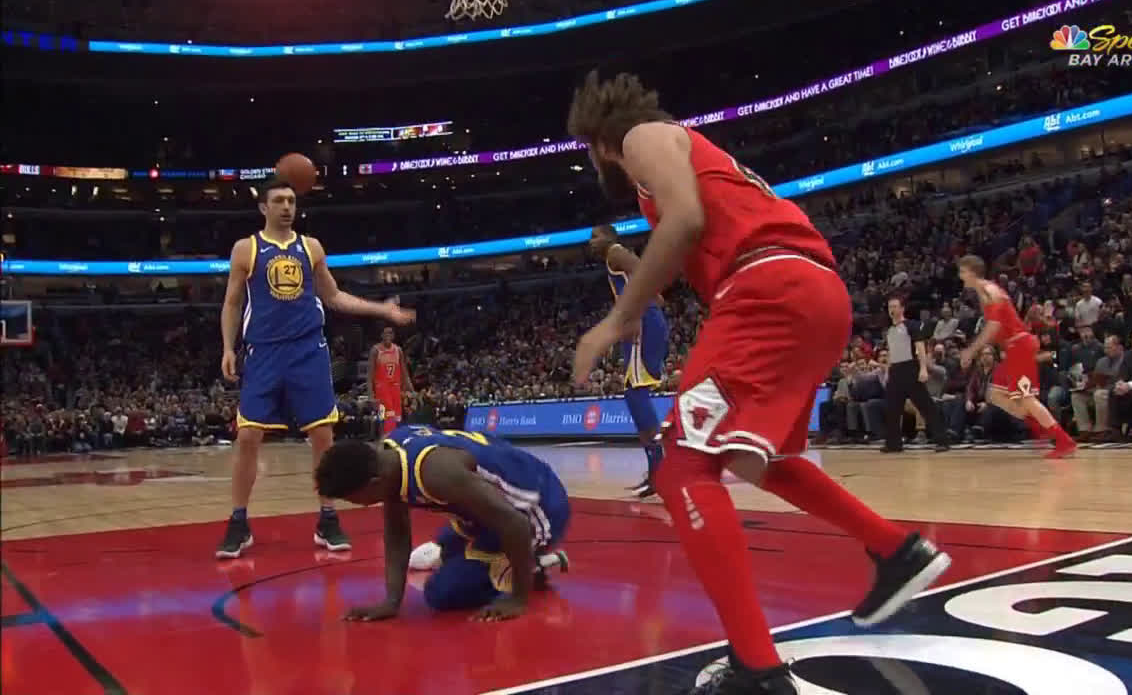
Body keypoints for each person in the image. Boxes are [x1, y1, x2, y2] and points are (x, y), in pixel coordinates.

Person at [566, 71, 950, 695]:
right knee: (755, 459)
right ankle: (895, 549)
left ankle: (758, 669)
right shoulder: (683, 162)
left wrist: (616, 320)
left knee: (682, 468)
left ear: (597, 138)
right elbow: (686, 238)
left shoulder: (642, 138)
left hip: (768, 286)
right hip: (809, 292)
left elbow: (685, 221)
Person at [216, 180, 415, 559]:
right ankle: (238, 522)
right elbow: (232, 303)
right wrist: (228, 346)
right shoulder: (246, 248)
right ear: (263, 208)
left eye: (291, 201)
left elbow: (334, 296)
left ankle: (328, 517)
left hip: (308, 350)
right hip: (264, 352)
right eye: (279, 201)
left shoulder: (311, 247)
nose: (287, 207)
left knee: (323, 435)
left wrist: (381, 309)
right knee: (248, 436)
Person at [314, 425, 570, 622]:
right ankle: (501, 560)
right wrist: (391, 602)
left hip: (537, 509)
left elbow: (515, 524)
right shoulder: (389, 459)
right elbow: (396, 532)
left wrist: (518, 599)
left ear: (373, 484)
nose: (359, 505)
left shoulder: (437, 473)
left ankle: (532, 567)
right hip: (488, 508)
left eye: (354, 499)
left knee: (442, 593)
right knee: (445, 546)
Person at [956, 255, 1076, 458]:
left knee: (1026, 399)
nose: (960, 276)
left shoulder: (989, 290)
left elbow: (994, 326)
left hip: (1019, 346)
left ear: (972, 271)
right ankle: (1040, 429)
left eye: (962, 271)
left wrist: (971, 350)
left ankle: (1062, 440)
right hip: (1013, 348)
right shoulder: (984, 291)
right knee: (995, 395)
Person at [588, 223, 670, 498]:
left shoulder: (615, 251)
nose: (591, 241)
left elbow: (645, 270)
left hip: (642, 322)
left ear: (610, 237)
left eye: (595, 236)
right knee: (634, 394)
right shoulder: (613, 259)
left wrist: (644, 305)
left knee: (636, 394)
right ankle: (657, 468)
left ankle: (660, 469)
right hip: (640, 321)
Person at [880, 296, 949, 453]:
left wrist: (923, 368)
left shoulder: (911, 326)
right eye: (890, 307)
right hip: (895, 370)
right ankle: (893, 444)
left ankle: (942, 440)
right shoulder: (889, 330)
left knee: (925, 406)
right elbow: (891, 351)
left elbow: (920, 347)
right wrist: (888, 371)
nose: (892, 309)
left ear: (902, 308)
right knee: (892, 408)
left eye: (895, 306)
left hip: (910, 368)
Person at [368, 326, 412, 435]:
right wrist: (370, 395)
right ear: (381, 335)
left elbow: (404, 371)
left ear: (393, 336)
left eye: (390, 333)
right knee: (387, 415)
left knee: (396, 417)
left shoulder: (398, 350)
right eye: (386, 333)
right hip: (382, 388)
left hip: (395, 388)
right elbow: (370, 375)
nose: (388, 335)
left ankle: (391, 438)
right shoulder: (375, 350)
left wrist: (411, 388)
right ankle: (385, 439)